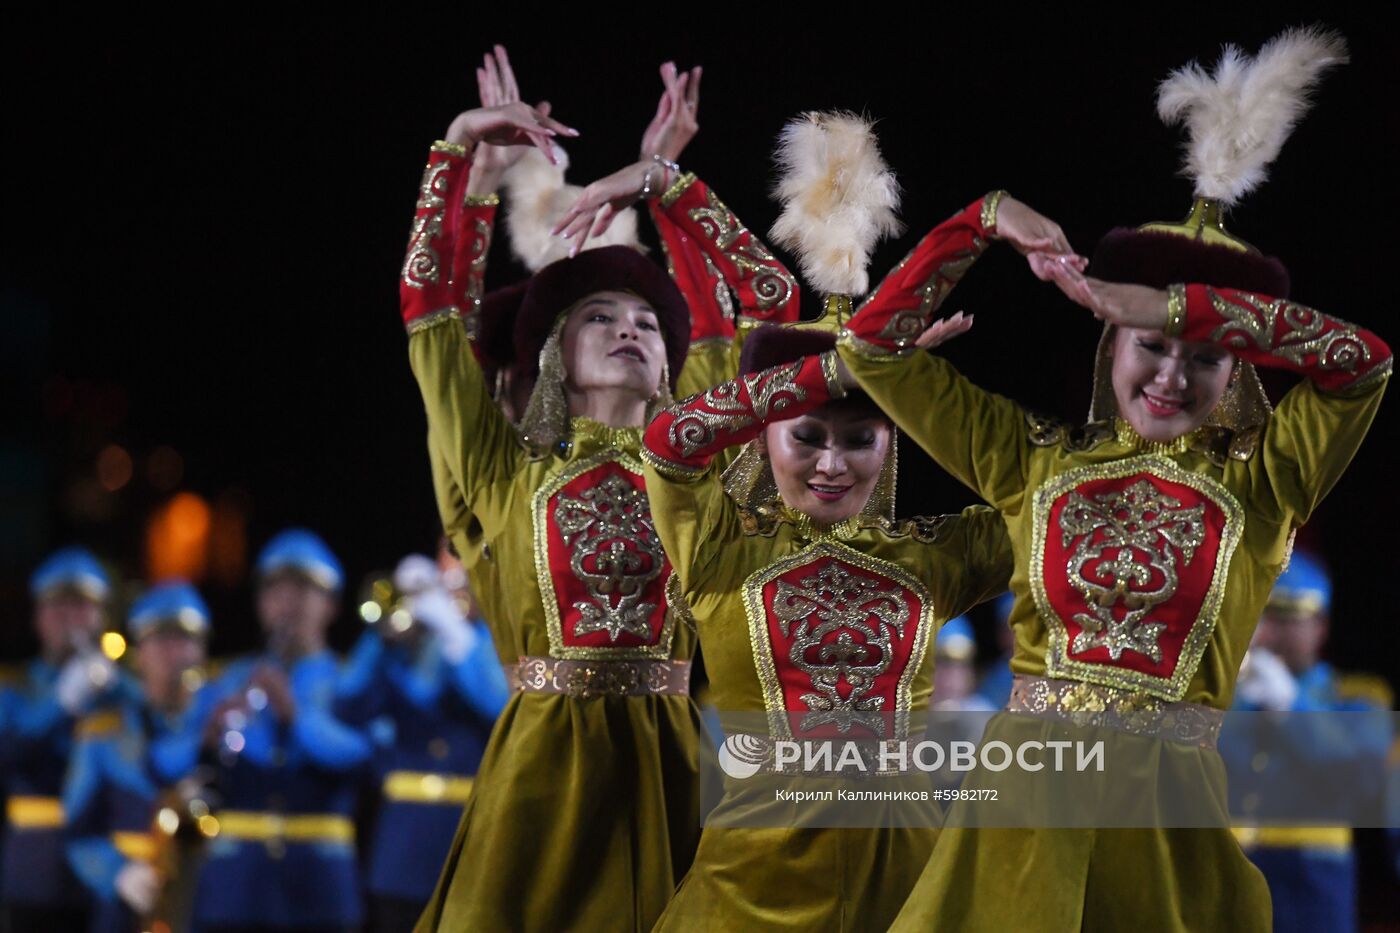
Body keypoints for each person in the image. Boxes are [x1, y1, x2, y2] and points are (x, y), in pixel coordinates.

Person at [834, 28, 1385, 932]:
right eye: (1150, 346)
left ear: (1238, 368)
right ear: (1108, 343)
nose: (1172, 373)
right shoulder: (1032, 460)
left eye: (1203, 356)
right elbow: (871, 349)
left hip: (1165, 838)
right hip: (1017, 833)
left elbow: (1365, 366)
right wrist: (980, 220)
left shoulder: (1266, 483)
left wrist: (1171, 303)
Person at [401, 51, 799, 931]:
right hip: (541, 770)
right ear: (553, 357)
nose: (629, 328)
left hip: (669, 762)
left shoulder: (696, 453)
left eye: (648, 322)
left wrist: (667, 184)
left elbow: (768, 301)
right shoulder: (508, 469)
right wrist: (459, 163)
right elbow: (434, 317)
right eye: (599, 318)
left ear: (671, 357)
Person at [636, 109, 1013, 931]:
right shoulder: (720, 555)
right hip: (745, 899)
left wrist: (914, 380)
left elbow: (1047, 503)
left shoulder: (930, 558)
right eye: (807, 437)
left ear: (894, 440)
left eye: (861, 437)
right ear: (767, 434)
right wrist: (843, 365)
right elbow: (668, 443)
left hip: (905, 898)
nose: (832, 463)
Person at [176, 528, 371, 933]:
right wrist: (206, 739)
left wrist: (295, 716)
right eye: (274, 591)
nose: (287, 604)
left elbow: (361, 755)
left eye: (302, 590)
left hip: (320, 890)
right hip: (235, 892)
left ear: (331, 605)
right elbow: (168, 763)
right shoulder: (230, 679)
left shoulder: (350, 678)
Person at [336, 554, 508, 933]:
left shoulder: (478, 644)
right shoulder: (394, 656)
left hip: (470, 837)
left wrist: (454, 633)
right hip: (401, 847)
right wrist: (379, 638)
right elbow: (346, 707)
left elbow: (499, 706)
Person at [1223, 551, 1393, 933]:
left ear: (1320, 625)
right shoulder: (1223, 701)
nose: (1266, 633)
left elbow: (1360, 779)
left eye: (1285, 618)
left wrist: (1291, 707)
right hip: (1229, 876)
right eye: (1258, 616)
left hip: (1311, 884)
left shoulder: (1356, 697)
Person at [64, 580, 214, 933]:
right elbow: (78, 828)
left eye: (186, 640)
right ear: (140, 654)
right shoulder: (103, 731)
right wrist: (116, 873)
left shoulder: (219, 723)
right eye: (160, 641)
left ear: (202, 650)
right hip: (128, 905)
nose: (174, 654)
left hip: (207, 899)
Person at [2, 547, 127, 933]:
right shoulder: (13, 687)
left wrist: (122, 693)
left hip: (107, 867)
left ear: (100, 618)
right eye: (56, 608)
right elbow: (8, 755)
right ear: (38, 618)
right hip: (36, 866)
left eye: (81, 607)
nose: (68, 620)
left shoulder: (120, 689)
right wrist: (62, 702)